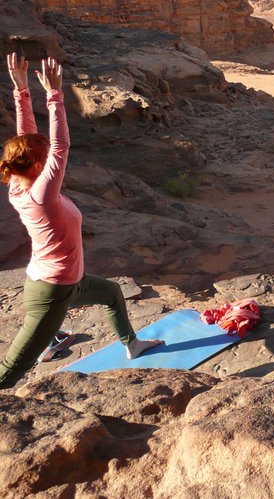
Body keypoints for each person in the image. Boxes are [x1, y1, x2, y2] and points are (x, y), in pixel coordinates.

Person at [0, 53, 162, 388]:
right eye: (42, 157)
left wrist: (22, 91)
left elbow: (26, 139)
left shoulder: (19, 180)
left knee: (112, 292)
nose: (49, 158)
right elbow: (61, 145)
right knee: (13, 367)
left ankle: (131, 345)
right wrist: (55, 95)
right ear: (35, 164)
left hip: (63, 282)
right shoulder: (40, 195)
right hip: (51, 292)